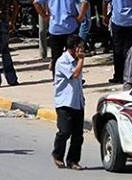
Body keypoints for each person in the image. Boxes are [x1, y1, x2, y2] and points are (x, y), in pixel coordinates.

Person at [33, 0, 89, 76]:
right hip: (70, 27)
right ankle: (75, 77)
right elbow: (85, 1)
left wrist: (44, 16)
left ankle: (57, 77)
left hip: (55, 28)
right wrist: (80, 17)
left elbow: (36, 2)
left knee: (56, 56)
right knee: (73, 55)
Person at [52, 36, 86, 170]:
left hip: (77, 102)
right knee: (65, 131)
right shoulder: (62, 61)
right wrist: (82, 59)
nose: (83, 49)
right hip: (65, 102)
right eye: (80, 47)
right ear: (74, 48)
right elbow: (75, 75)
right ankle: (57, 155)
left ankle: (73, 160)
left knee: (78, 135)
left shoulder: (77, 61)